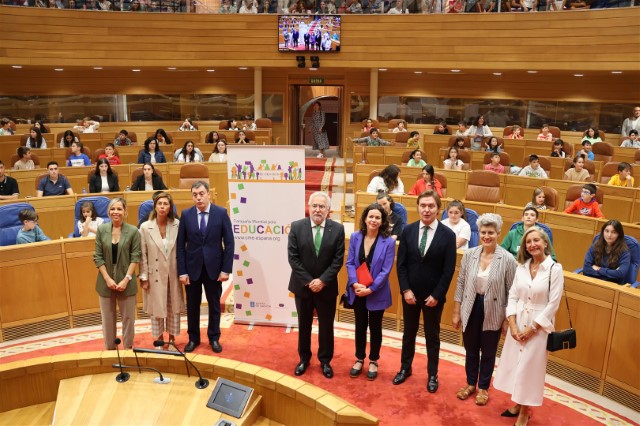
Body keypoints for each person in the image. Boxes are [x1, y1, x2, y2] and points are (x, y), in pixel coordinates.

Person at [493, 227, 564, 426]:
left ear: (545, 243)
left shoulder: (554, 269)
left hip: (539, 325)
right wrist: (513, 324)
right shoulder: (521, 267)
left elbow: (553, 304)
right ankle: (516, 403)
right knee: (516, 364)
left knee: (529, 369)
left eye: (536, 240)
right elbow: (513, 296)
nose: (532, 244)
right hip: (519, 320)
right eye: (528, 242)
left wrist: (532, 329)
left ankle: (525, 411)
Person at [393, 191, 457, 393]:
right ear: (417, 207)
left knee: (432, 337)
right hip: (410, 295)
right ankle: (405, 368)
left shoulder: (448, 235)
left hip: (433, 298)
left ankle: (432, 375)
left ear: (438, 208)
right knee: (408, 334)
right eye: (423, 205)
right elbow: (401, 265)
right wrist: (405, 290)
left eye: (431, 206)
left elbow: (448, 271)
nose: (426, 209)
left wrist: (437, 295)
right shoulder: (408, 231)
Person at [452, 213, 517, 406]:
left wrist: (507, 319)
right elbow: (461, 283)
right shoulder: (470, 254)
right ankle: (471, 383)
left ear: (498, 233)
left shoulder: (507, 259)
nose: (486, 236)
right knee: (471, 349)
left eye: (491, 232)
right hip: (471, 306)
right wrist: (456, 312)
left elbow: (511, 291)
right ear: (478, 233)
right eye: (483, 232)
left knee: (488, 352)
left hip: (494, 310)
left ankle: (483, 387)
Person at [288, 192, 345, 378]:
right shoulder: (297, 227)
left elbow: (337, 261)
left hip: (326, 288)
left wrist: (322, 281)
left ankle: (325, 361)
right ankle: (304, 358)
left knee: (326, 326)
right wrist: (309, 281)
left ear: (328, 210)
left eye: (322, 207)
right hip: (303, 288)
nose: (318, 210)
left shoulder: (337, 229)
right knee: (304, 325)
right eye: (315, 206)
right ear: (309, 207)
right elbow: (293, 259)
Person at [177, 181, 234, 354]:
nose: (198, 197)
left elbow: (229, 243)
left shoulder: (221, 213)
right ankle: (193, 338)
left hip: (214, 269)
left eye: (201, 194)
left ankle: (214, 337)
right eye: (195, 194)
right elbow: (180, 246)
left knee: (214, 305)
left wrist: (226, 270)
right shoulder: (186, 215)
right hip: (192, 269)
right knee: (192, 306)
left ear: (208, 194)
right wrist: (182, 271)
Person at [345, 203, 395, 381]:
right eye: (371, 216)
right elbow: (350, 262)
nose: (373, 220)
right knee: (359, 325)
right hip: (357, 290)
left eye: (377, 218)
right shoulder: (355, 237)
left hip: (377, 292)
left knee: (375, 327)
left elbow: (386, 270)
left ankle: (373, 360)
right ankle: (359, 358)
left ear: (382, 221)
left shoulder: (388, 241)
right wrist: (355, 284)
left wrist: (371, 289)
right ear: (365, 218)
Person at [93, 197, 141, 350]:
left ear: (125, 212)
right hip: (105, 282)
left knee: (128, 319)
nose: (116, 212)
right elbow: (97, 256)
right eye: (113, 209)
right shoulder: (101, 230)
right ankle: (110, 350)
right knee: (108, 320)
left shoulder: (133, 231)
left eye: (119, 209)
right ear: (108, 212)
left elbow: (136, 256)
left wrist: (126, 279)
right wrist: (107, 278)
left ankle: (127, 349)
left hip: (126, 281)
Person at [139, 192, 185, 347]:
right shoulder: (145, 227)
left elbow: (183, 250)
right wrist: (144, 276)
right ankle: (159, 339)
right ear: (155, 206)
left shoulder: (178, 224)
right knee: (157, 309)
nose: (162, 207)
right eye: (160, 204)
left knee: (173, 308)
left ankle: (172, 339)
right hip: (154, 275)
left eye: (166, 204)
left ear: (170, 207)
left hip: (173, 273)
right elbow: (142, 254)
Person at [584, 220, 631, 285]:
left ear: (619, 234)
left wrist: (599, 269)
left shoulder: (624, 252)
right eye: (607, 231)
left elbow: (620, 274)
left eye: (614, 232)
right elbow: (586, 268)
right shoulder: (595, 245)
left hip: (611, 286)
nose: (609, 235)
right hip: (592, 282)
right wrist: (611, 273)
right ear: (602, 232)